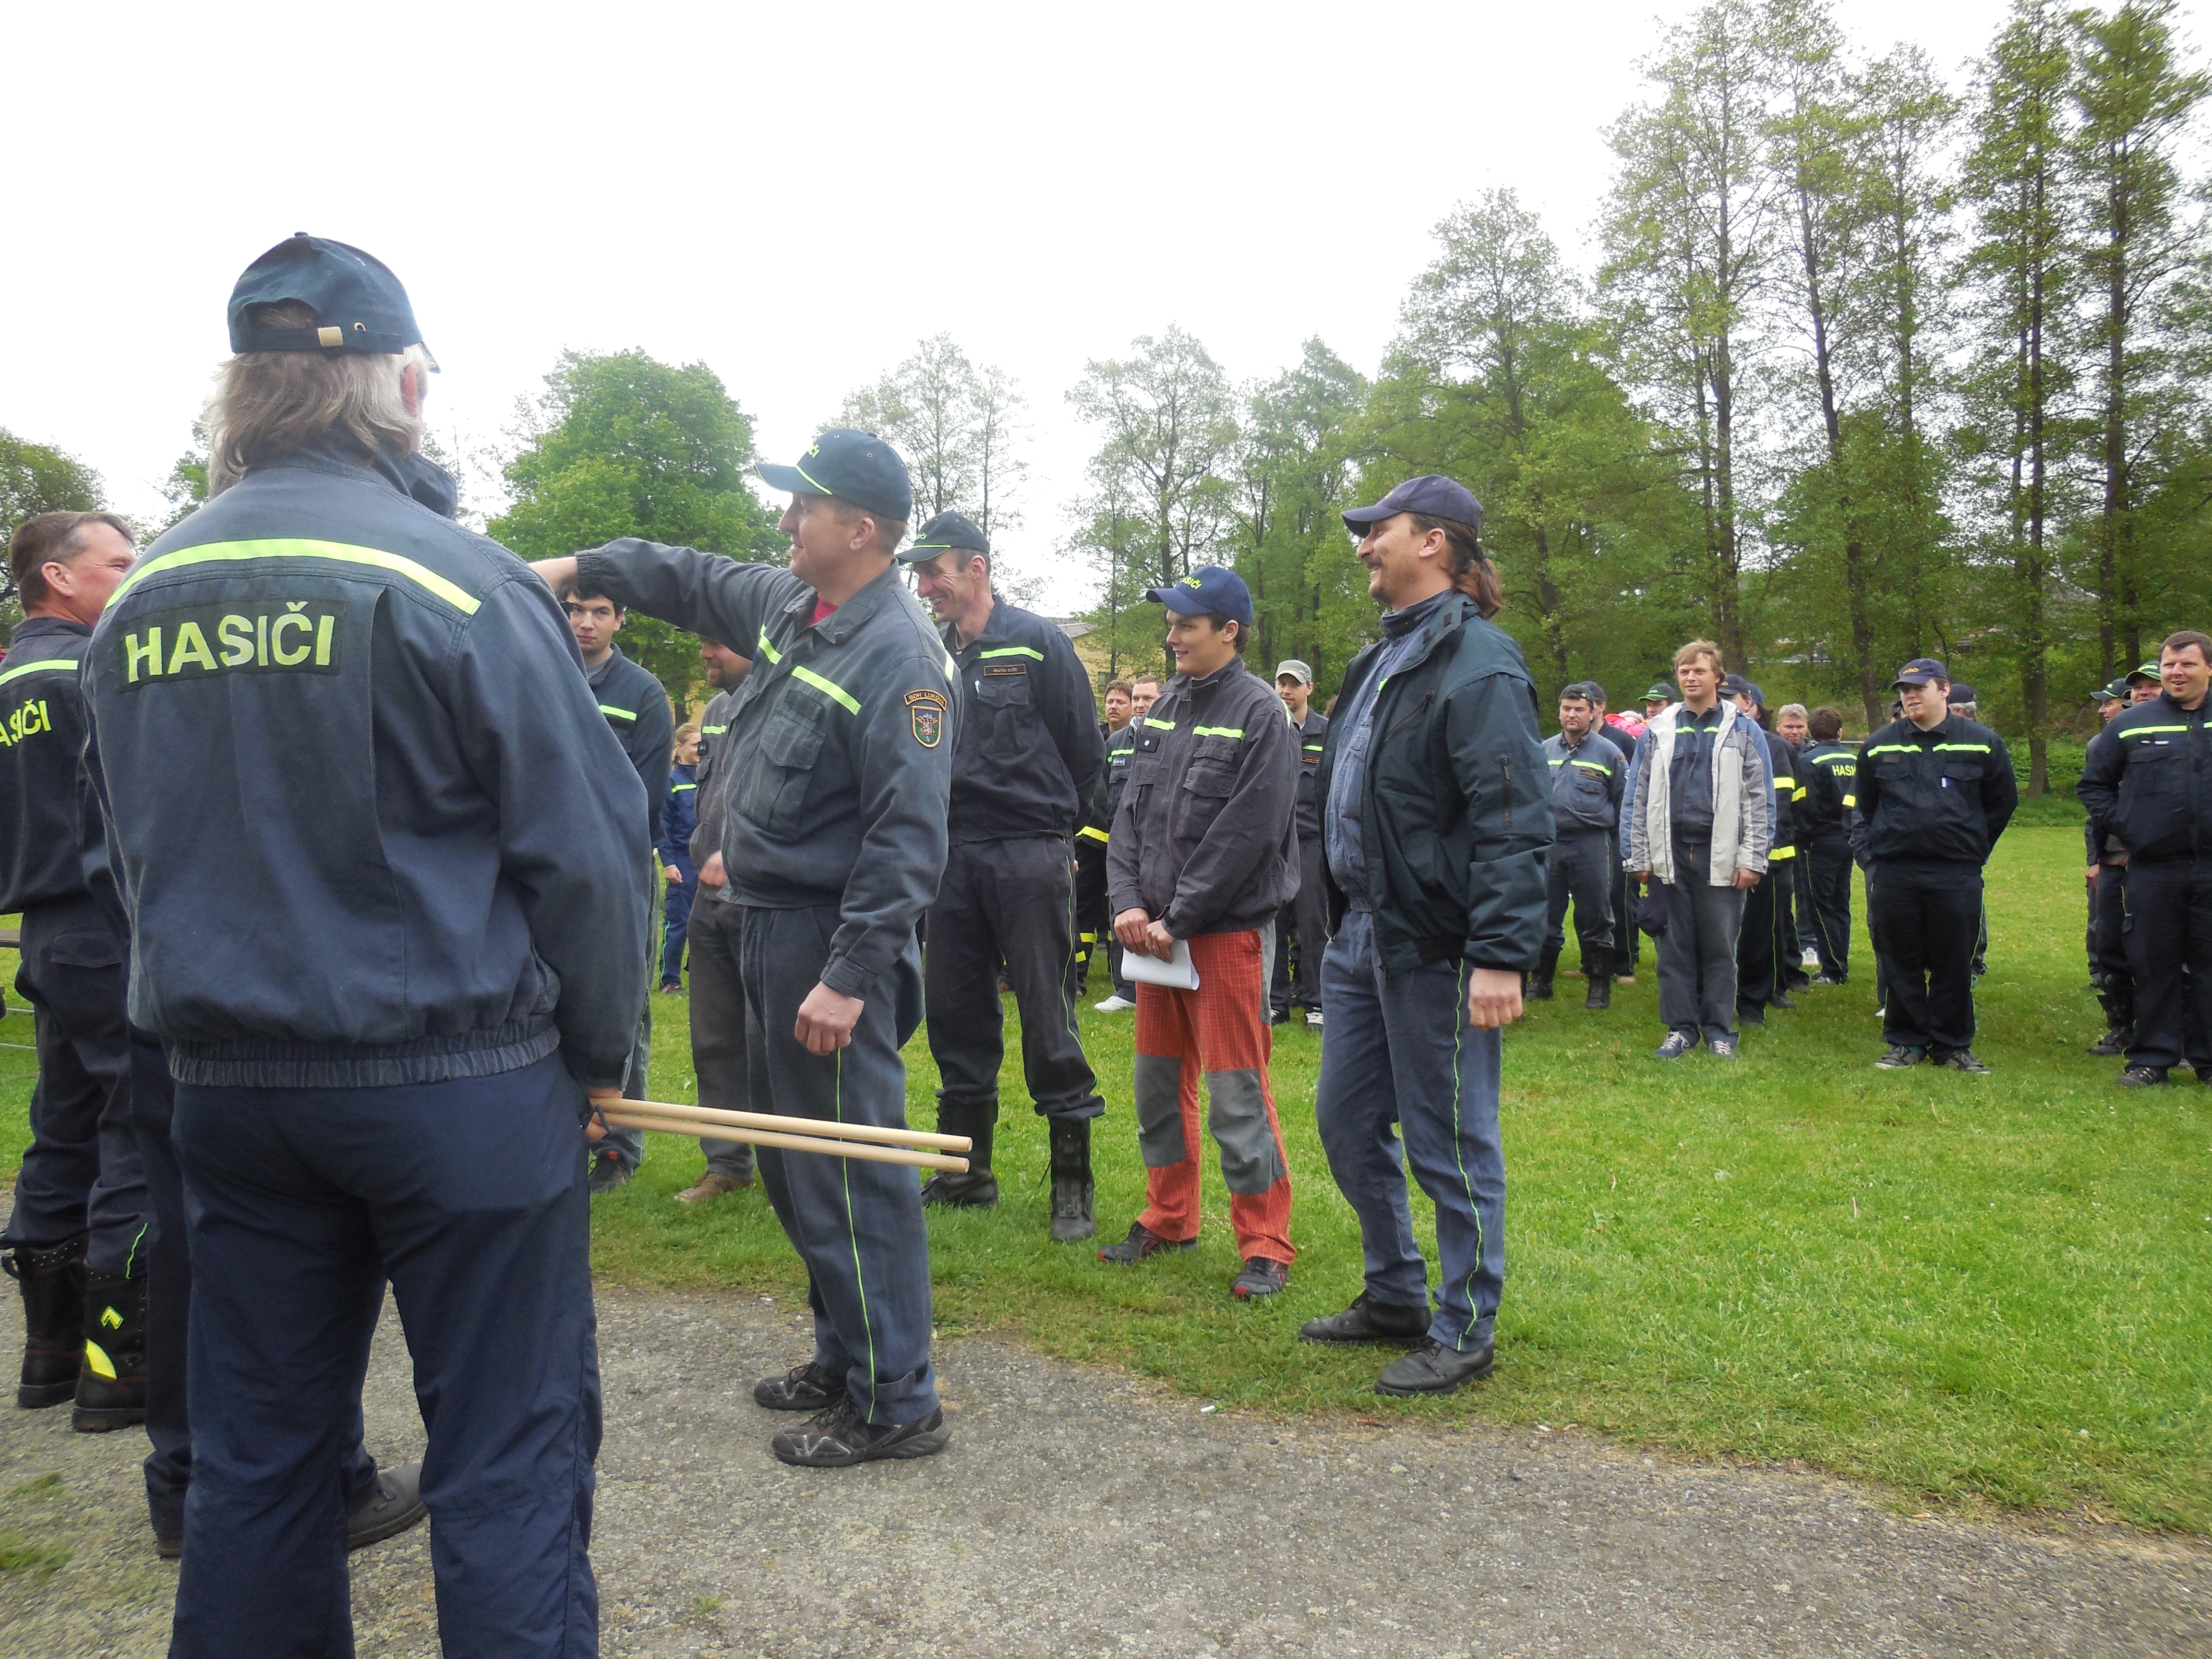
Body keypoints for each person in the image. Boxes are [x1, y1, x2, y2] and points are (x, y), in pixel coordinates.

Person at [85, 234, 644, 1654]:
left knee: (257, 1460)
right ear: (402, 385)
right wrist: (602, 1059)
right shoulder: (463, 582)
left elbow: (128, 850)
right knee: (507, 1454)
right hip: (454, 1082)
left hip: (230, 1090)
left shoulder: (138, 596)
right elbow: (586, 857)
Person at [538, 428, 956, 1466]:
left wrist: (848, 978)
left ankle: (897, 1398)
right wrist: (567, 568)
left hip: (827, 944)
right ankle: (843, 1355)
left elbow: (908, 840)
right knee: (791, 1164)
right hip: (760, 923)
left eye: (804, 506)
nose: (785, 520)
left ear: (862, 530)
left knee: (849, 1170)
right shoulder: (788, 606)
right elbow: (682, 575)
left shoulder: (903, 658)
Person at [1299, 475, 1549, 1395]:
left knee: (1448, 1141)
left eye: (1379, 531)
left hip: (1435, 947)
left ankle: (1465, 1327)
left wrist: (1499, 955)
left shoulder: (1479, 664)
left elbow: (1513, 821)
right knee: (1344, 1121)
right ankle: (1396, 1292)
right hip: (1362, 936)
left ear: (1433, 542)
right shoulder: (1379, 659)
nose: (1364, 546)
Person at [899, 511, 1107, 1240]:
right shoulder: (929, 652)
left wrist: (1057, 839)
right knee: (955, 1013)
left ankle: (1073, 1186)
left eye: (935, 573)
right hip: (950, 856)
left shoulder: (1038, 642)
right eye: (919, 577)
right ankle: (967, 1173)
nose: (925, 588)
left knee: (1048, 1016)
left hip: (1028, 852)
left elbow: (1086, 751)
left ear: (976, 568)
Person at [1101, 567, 1298, 1299]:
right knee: (1157, 1088)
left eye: (1186, 625)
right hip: (1154, 937)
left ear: (1229, 631)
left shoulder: (1261, 714)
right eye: (1171, 624)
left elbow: (1247, 834)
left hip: (1221, 937)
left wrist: (1176, 918)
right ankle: (1170, 1217)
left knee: (1236, 1094)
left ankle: (1266, 1244)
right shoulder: (1164, 708)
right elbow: (1128, 815)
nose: (1173, 637)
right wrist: (1127, 901)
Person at [0, 513, 152, 1430]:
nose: (133, 578)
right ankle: (120, 1367)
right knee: (135, 1123)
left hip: (44, 935)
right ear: (58, 576)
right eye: (120, 564)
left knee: (62, 1130)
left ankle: (48, 1353)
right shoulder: (91, 670)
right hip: (106, 922)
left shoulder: (10, 681)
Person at [559, 578, 675, 1191]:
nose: (586, 622)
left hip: (618, 870)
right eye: (575, 610)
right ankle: (554, 1134)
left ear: (620, 620)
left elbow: (647, 799)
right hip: (543, 866)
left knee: (622, 1005)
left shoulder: (643, 693)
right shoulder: (543, 672)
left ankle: (617, 1147)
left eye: (600, 612)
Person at [1854, 658, 2016, 1071]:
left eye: (1919, 689)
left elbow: (2001, 803)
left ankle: (1952, 1046)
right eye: (1905, 691)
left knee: (1954, 961)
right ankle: (1905, 1043)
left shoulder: (1981, 742)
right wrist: (1874, 855)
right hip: (1896, 872)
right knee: (1900, 960)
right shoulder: (1879, 745)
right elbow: (1865, 807)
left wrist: (1973, 847)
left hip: (1955, 872)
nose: (1910, 697)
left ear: (1944, 690)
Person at [1623, 643, 1771, 1059]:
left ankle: (1720, 1031)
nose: (1691, 678)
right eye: (1684, 671)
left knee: (1720, 948)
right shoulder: (1657, 730)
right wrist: (1637, 855)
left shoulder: (1745, 731)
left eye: (1700, 671)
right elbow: (1636, 795)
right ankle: (1681, 1029)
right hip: (1668, 855)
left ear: (1718, 678)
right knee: (1673, 950)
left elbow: (1759, 799)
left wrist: (1753, 858)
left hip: (1720, 856)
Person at [2080, 631, 2212, 1086]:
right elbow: (2094, 786)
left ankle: (2207, 1059)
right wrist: (2130, 827)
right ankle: (2153, 1057)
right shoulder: (2132, 724)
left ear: (2209, 668)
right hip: (2155, 867)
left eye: (2187, 664)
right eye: (2170, 665)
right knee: (2154, 963)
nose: (2177, 673)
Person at [674, 637, 761, 1203]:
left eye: (716, 642)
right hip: (709, 897)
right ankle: (726, 1163)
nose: (705, 653)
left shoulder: (788, 699)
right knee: (714, 1036)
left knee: (771, 1040)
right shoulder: (717, 709)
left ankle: (796, 1169)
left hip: (766, 896)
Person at [1535, 683, 1623, 1009]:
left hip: (1591, 843)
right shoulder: (1544, 750)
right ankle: (1541, 981)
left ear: (1593, 712)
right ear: (1559, 712)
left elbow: (1622, 800)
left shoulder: (1609, 753)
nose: (1572, 715)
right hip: (1551, 842)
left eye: (1579, 710)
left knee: (1596, 916)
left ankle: (1599, 987)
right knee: (1546, 913)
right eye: (1567, 709)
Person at [1092, 673, 1161, 1013]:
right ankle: (1126, 989)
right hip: (1121, 844)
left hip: (1159, 844)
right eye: (1137, 698)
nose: (1141, 704)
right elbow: (1102, 791)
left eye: (1149, 698)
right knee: (1120, 907)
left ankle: (1160, 984)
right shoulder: (1116, 743)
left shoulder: (1172, 738)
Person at [1270, 658, 1330, 1029]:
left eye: (1294, 684)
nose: (1287, 691)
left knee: (1313, 927)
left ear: (1309, 689)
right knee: (1273, 927)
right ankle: (1276, 1003)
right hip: (1274, 847)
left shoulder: (1327, 734)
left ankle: (1317, 1004)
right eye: (1282, 684)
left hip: (1310, 845)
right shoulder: (1267, 728)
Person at [2082, 676, 2135, 1056]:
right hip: (2115, 861)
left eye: (2110, 702)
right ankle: (2122, 1027)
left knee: (2171, 951)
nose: (2104, 710)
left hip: (2170, 862)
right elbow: (2095, 810)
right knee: (2111, 945)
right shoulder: (2102, 745)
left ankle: (2182, 1035)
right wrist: (2096, 860)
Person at [1583, 683, 1640, 985]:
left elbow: (1635, 784)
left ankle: (1624, 963)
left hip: (1617, 831)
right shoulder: (1571, 742)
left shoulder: (1621, 741)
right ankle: (1590, 962)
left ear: (1601, 706)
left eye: (1589, 703)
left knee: (1619, 897)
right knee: (1589, 901)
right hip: (1585, 835)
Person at [1796, 707, 1857, 984]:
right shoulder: (1854, 758)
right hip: (1848, 837)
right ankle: (1841, 960)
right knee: (1840, 902)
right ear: (1840, 732)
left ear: (1811, 732)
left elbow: (1806, 804)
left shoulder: (1808, 761)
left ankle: (1833, 968)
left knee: (1820, 905)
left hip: (1819, 840)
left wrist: (1804, 838)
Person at [658, 722, 702, 993]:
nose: (700, 750)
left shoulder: (708, 779)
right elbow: (663, 827)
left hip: (705, 860)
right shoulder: (672, 783)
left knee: (706, 923)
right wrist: (669, 864)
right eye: (695, 745)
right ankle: (670, 979)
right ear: (680, 747)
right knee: (679, 922)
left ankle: (699, 972)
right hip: (682, 861)